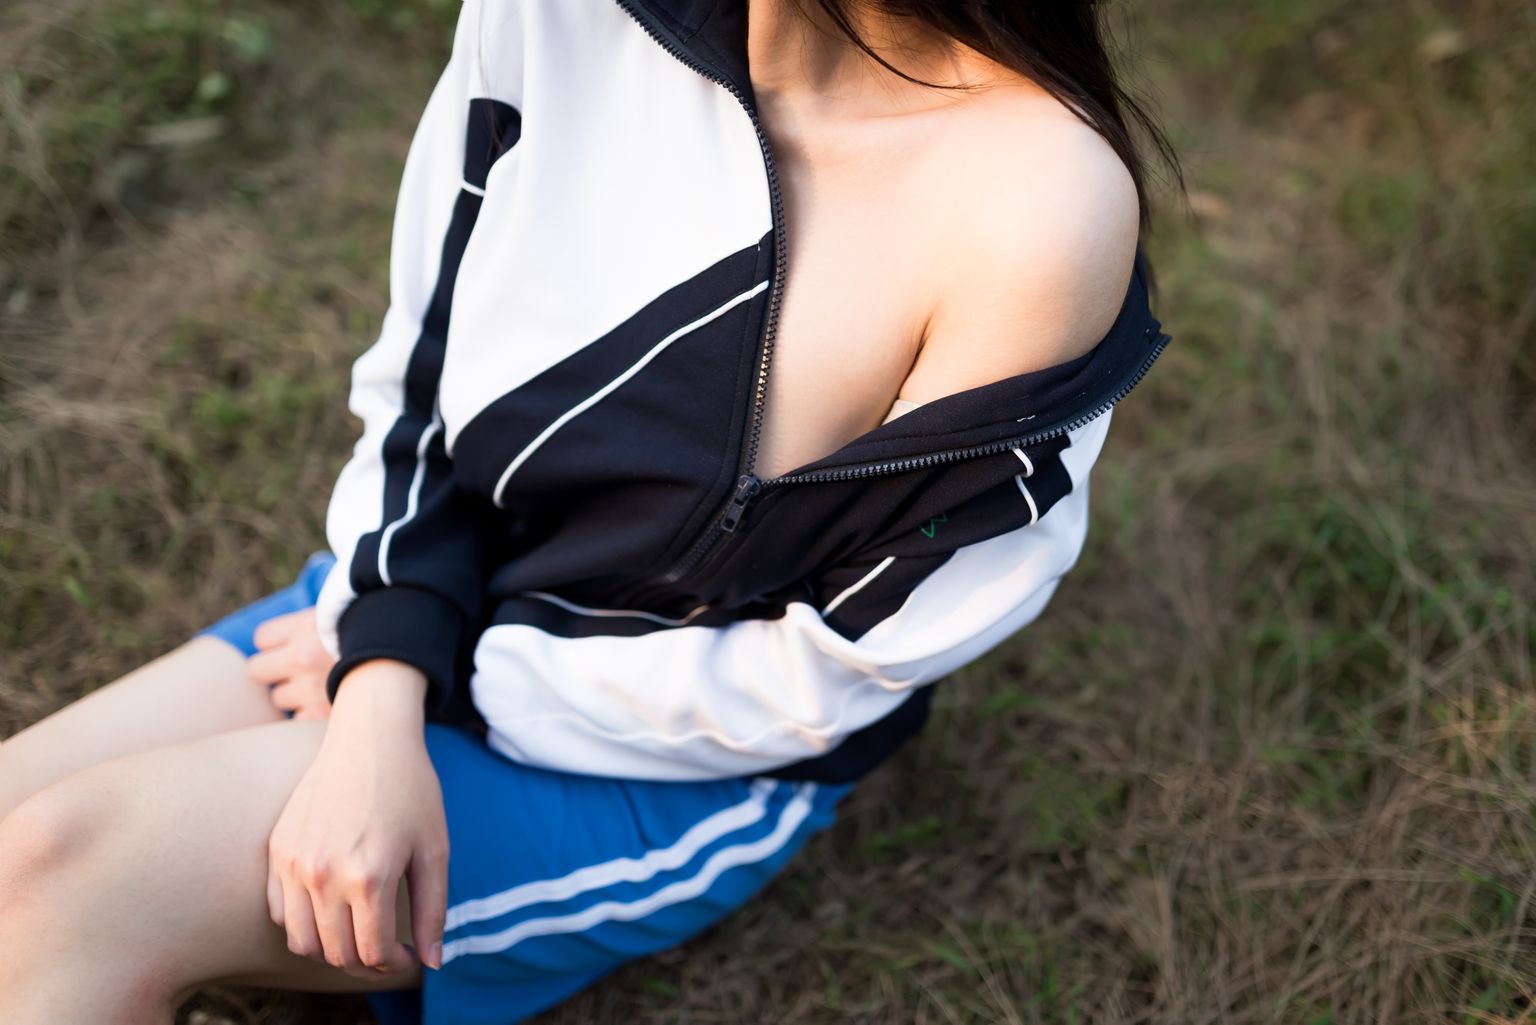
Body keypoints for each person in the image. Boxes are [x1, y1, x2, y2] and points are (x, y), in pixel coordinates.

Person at [0, 0, 1176, 1021]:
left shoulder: (1033, 205)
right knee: (18, 835)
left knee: (72, 879)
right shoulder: (564, 16)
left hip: (669, 752)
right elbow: (422, 362)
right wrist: (386, 666)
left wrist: (441, 676)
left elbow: (840, 664)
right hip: (432, 589)